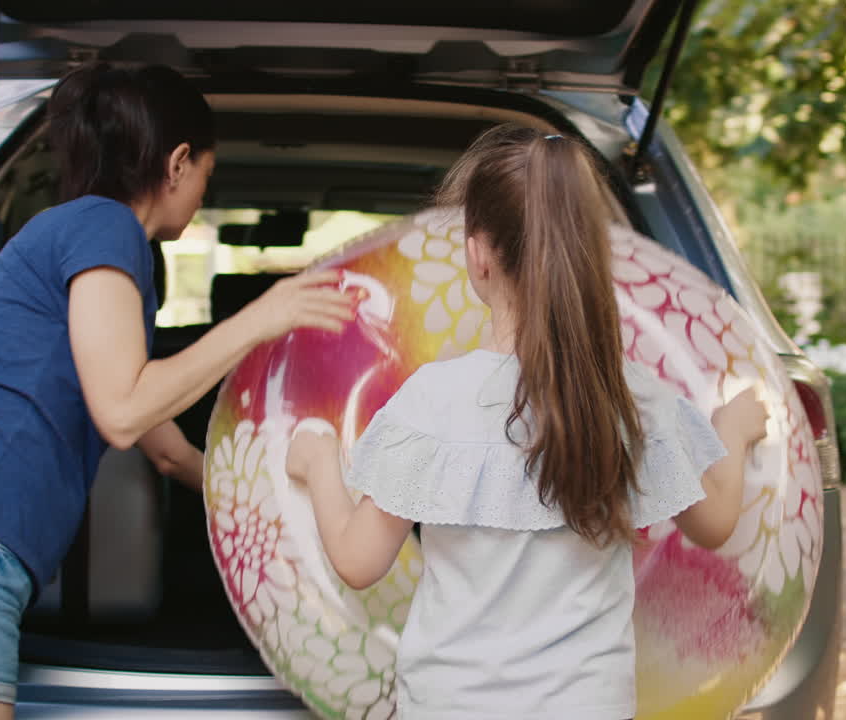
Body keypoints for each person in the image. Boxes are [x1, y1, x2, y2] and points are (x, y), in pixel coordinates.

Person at [0, 62, 355, 720]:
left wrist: (290, 498)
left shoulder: (72, 241)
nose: (198, 197)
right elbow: (126, 413)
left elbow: (168, 453)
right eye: (206, 179)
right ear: (178, 162)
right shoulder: (106, 228)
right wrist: (260, 318)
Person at [285, 124, 769, 719]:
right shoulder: (632, 397)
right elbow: (714, 521)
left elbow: (359, 563)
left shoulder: (434, 400)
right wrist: (735, 432)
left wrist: (318, 463)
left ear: (478, 252)